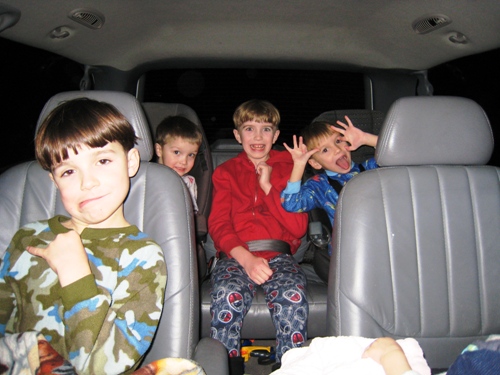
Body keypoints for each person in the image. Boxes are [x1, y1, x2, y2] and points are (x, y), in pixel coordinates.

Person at [0, 98, 167, 375]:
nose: (87, 183)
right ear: (54, 181)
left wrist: (75, 276)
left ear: (130, 162)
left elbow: (104, 368)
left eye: (102, 160)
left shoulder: (144, 257)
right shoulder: (28, 238)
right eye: (68, 171)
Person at [208, 99, 309, 374]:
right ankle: (227, 368)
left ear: (276, 136)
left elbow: (299, 227)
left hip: (279, 254)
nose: (257, 137)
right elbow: (218, 224)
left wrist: (268, 188)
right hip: (237, 254)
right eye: (249, 129)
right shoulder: (226, 172)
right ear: (237, 135)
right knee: (227, 294)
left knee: (292, 295)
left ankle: (291, 367)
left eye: (266, 130)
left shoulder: (290, 167)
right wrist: (246, 259)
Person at [280, 116, 378, 253]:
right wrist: (299, 165)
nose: (337, 149)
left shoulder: (371, 168)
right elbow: (291, 204)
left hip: (386, 235)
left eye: (338, 141)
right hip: (351, 249)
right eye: (325, 150)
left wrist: (367, 139)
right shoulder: (319, 185)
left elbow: (404, 154)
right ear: (316, 163)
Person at [155, 115, 203, 212]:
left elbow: (191, 215)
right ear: (159, 150)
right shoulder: (147, 178)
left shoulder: (188, 183)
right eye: (177, 152)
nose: (184, 161)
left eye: (191, 155)